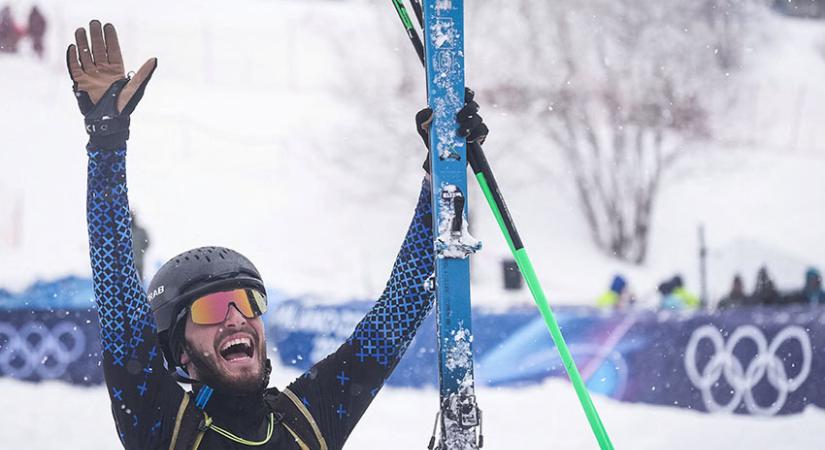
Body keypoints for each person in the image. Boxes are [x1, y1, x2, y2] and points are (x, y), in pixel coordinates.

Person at [67, 21, 488, 449]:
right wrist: (106, 144)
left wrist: (442, 172)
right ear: (180, 352)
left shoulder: (307, 418)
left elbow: (395, 314)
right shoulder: (163, 424)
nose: (237, 317)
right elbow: (117, 290)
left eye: (249, 302)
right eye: (212, 308)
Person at [130, 209, 150, 282]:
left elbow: (147, 243)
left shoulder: (141, 231)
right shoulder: (125, 232)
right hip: (128, 261)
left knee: (141, 279)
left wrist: (141, 251)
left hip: (139, 259)